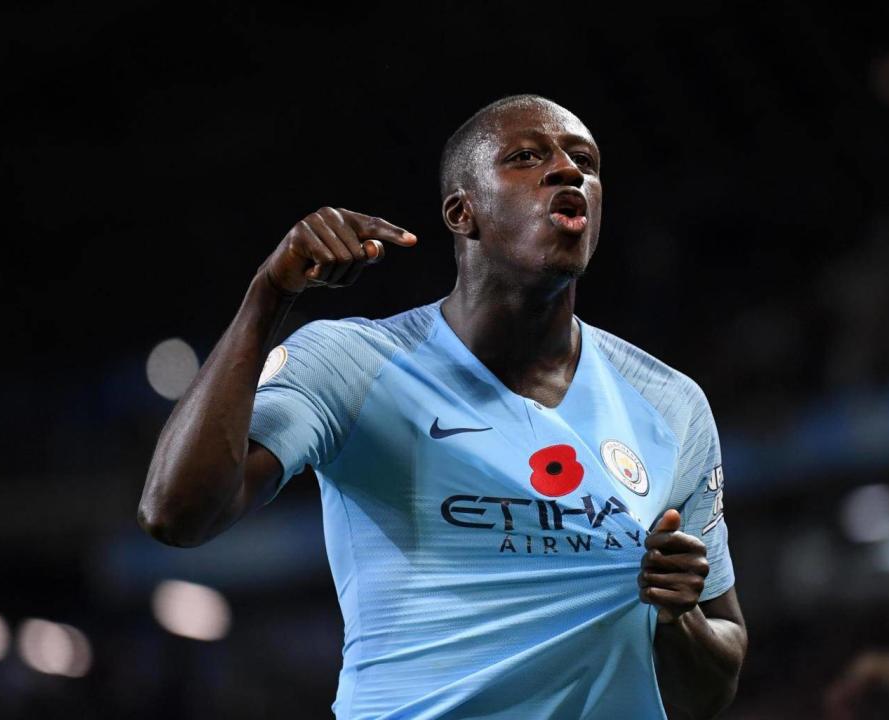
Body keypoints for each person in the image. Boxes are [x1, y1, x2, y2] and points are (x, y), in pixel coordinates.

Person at [138, 93, 747, 719]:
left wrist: (679, 618)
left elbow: (709, 690)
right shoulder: (354, 363)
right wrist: (266, 296)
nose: (568, 172)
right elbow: (176, 515)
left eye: (585, 163)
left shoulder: (670, 403)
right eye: (527, 157)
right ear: (464, 212)